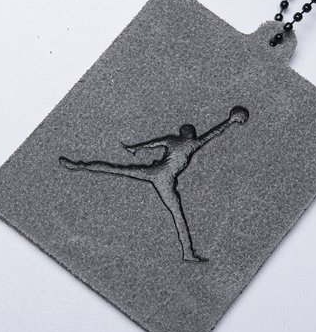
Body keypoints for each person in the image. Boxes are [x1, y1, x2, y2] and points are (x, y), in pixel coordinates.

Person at [59, 106, 249, 262]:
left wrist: (135, 148)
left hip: (154, 172)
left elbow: (152, 143)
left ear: (182, 133)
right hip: (164, 180)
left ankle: (79, 166)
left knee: (115, 169)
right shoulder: (193, 144)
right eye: (192, 133)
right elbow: (214, 132)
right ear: (190, 135)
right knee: (177, 215)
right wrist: (230, 121)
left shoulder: (173, 140)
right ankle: (187, 253)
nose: (192, 135)